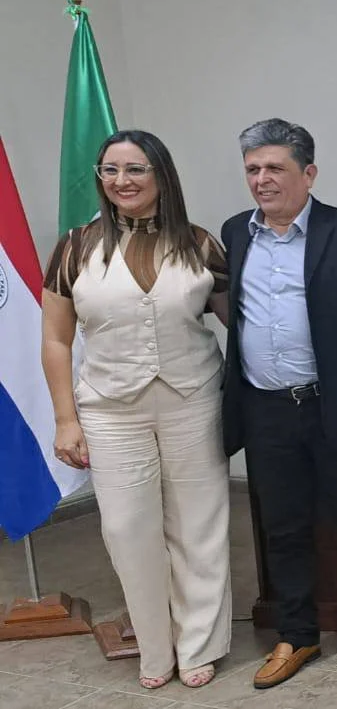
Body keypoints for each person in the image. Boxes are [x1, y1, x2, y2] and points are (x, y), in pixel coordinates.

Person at [41, 130, 231, 690]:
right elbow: (55, 340)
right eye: (110, 170)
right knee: (128, 529)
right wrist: (65, 418)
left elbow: (238, 323)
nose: (122, 181)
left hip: (191, 398)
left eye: (135, 169)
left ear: (161, 175)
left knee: (198, 525)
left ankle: (199, 643)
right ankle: (155, 647)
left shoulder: (199, 244)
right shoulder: (75, 246)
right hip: (109, 408)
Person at [219, 118, 337, 688]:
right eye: (252, 169)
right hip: (267, 406)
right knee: (284, 528)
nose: (262, 180)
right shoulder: (235, 232)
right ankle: (296, 636)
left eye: (275, 168)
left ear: (309, 173)